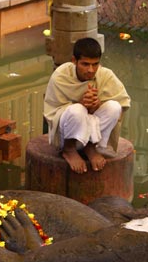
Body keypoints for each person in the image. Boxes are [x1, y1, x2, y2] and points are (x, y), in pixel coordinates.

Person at [44, 37, 130, 174]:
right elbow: (53, 112)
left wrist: (98, 105)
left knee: (114, 107)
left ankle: (90, 146)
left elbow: (123, 103)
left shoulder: (105, 75)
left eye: (95, 64)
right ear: (74, 61)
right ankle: (69, 150)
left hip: (93, 134)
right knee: (77, 110)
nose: (91, 70)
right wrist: (82, 104)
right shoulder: (61, 75)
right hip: (65, 135)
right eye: (85, 64)